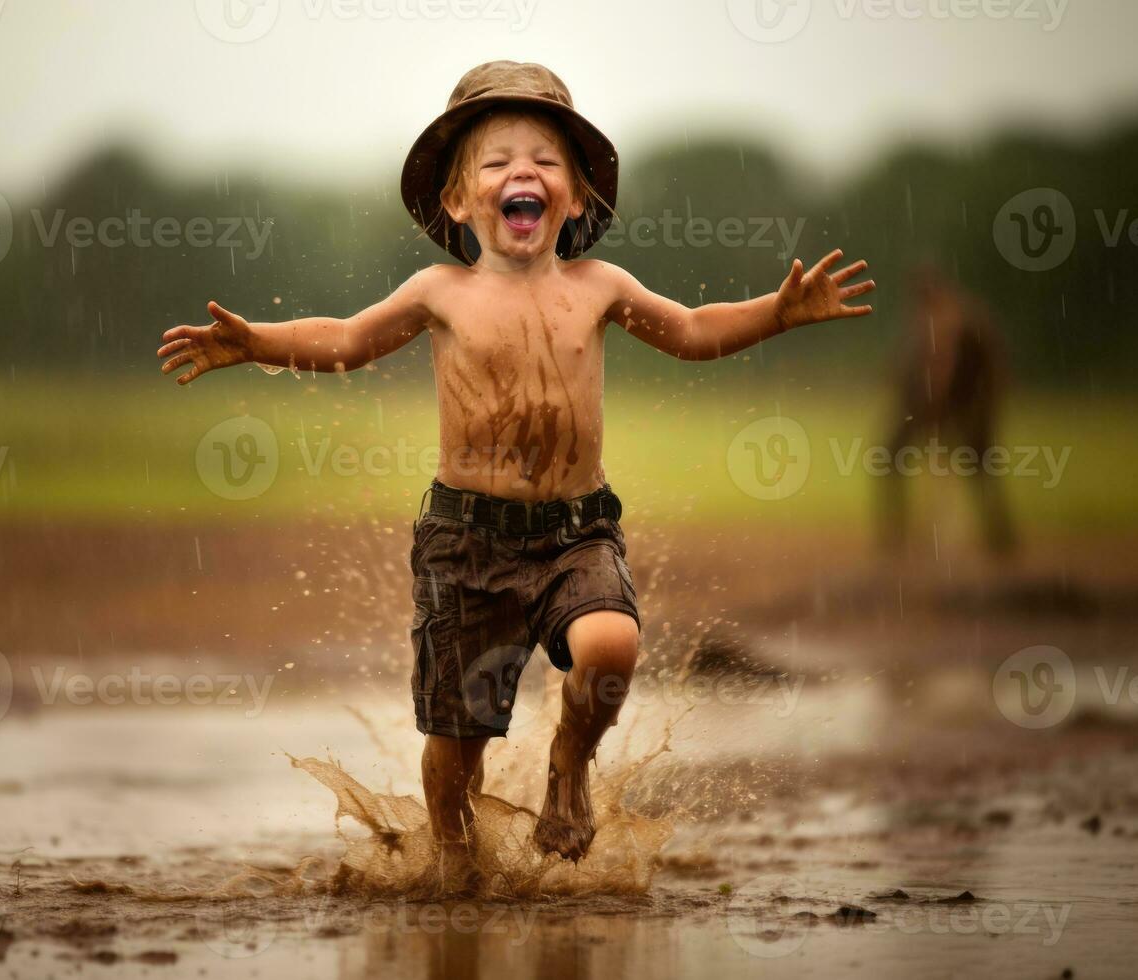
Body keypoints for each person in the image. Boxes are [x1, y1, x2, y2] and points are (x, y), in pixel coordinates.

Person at [156, 61, 874, 891]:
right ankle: (453, 857)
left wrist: (776, 312)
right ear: (459, 201)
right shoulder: (441, 291)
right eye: (495, 163)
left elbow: (690, 331)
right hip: (466, 543)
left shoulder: (600, 285)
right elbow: (346, 339)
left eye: (542, 160)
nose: (520, 173)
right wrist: (257, 342)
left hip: (576, 532)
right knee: (455, 741)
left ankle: (569, 765)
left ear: (573, 198)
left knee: (610, 644)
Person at [878, 263, 1015, 555]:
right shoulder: (949, 316)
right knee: (979, 467)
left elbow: (943, 369)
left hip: (965, 403)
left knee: (978, 465)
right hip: (955, 403)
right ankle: (1000, 540)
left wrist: (937, 411)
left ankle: (999, 539)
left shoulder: (948, 318)